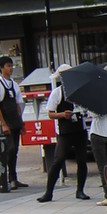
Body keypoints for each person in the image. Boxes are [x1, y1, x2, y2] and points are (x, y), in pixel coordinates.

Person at [37, 72, 90, 202]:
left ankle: (80, 190)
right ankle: (49, 192)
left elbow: (87, 109)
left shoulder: (80, 92)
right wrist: (62, 115)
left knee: (82, 160)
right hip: (65, 131)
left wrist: (84, 111)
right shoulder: (57, 92)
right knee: (58, 159)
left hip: (80, 129)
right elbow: (50, 113)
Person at [0, 55, 27, 190]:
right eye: (8, 66)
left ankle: (14, 177)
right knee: (8, 150)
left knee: (15, 150)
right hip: (5, 122)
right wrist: (3, 123)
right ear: (1, 68)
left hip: (15, 121)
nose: (10, 68)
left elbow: (18, 105)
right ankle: (5, 178)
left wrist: (21, 123)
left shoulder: (14, 84)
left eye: (11, 66)